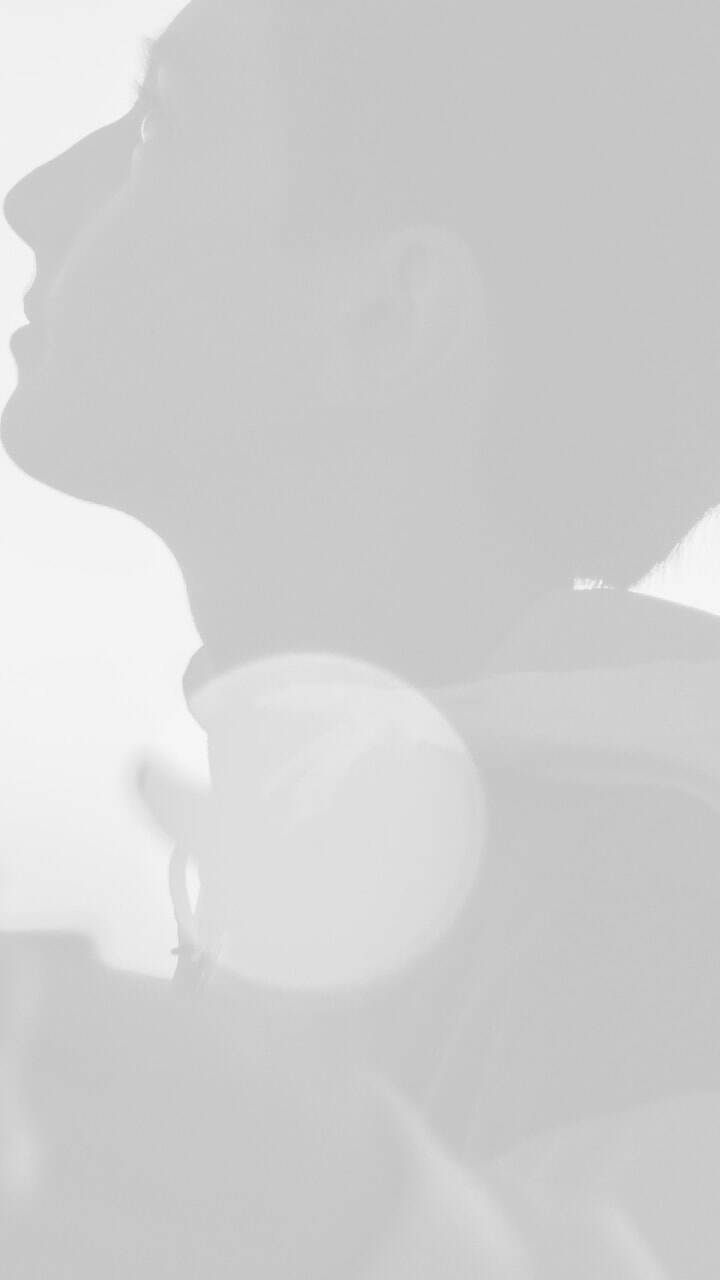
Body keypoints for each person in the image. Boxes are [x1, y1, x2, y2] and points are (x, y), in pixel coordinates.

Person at [3, 0, 720, 1272]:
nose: (36, 195)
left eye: (165, 121)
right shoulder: (423, 876)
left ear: (389, 318)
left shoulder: (648, 930)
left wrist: (341, 1210)